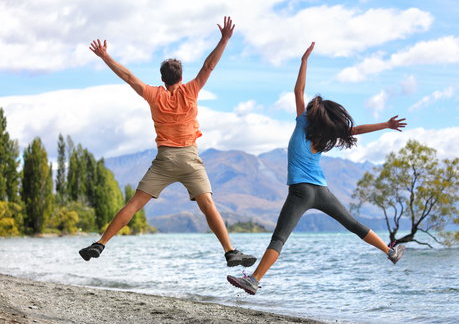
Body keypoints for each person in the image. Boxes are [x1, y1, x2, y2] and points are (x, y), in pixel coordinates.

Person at [227, 42, 407, 295]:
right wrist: (386, 125)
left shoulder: (302, 123)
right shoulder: (326, 137)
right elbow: (355, 129)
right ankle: (390, 252)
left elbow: (298, 90)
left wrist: (304, 61)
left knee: (279, 238)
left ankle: (254, 279)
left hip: (301, 192)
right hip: (322, 191)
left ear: (313, 114)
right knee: (353, 224)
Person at [79, 16, 256, 268]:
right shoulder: (191, 90)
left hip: (164, 160)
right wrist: (224, 39)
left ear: (163, 79)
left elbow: (129, 76)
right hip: (189, 160)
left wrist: (105, 56)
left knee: (134, 204)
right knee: (208, 206)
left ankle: (100, 243)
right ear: (181, 77)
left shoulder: (153, 95)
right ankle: (230, 252)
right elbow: (208, 66)